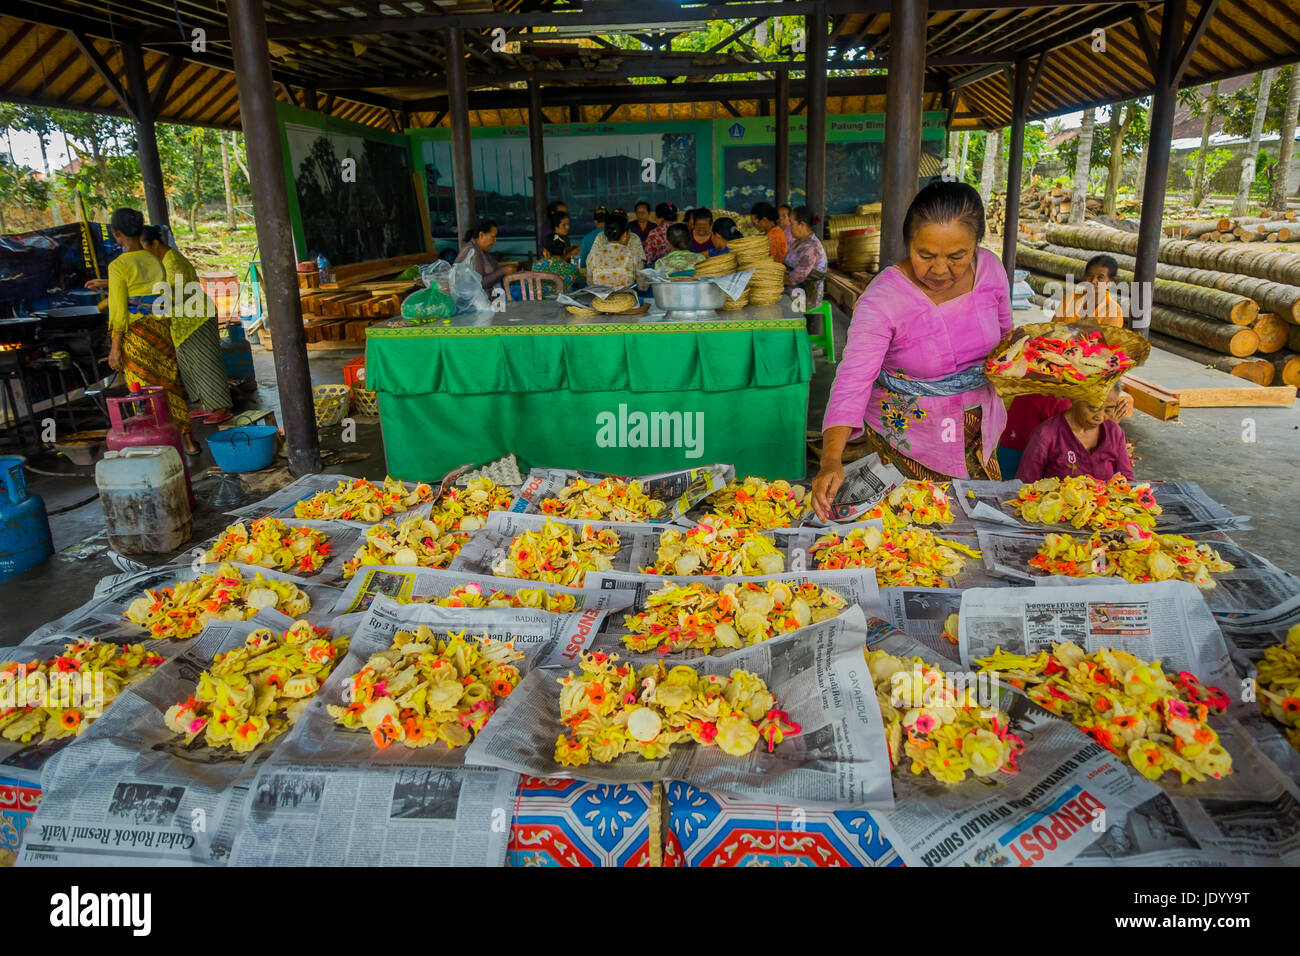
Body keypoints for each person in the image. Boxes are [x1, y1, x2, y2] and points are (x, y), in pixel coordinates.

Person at [812, 181, 1011, 518]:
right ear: (908, 243)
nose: (939, 269)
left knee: (979, 521)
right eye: (926, 255)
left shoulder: (991, 270)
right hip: (909, 442)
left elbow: (1009, 343)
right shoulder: (884, 299)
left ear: (976, 245)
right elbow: (853, 381)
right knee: (917, 533)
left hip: (979, 429)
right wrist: (831, 459)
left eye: (957, 256)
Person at [99, 208, 197, 454]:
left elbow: (119, 311)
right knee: (170, 385)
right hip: (161, 329)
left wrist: (114, 349)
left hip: (137, 336)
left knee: (142, 390)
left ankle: (157, 444)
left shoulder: (118, 266)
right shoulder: (154, 259)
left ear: (116, 232)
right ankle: (188, 440)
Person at [141, 225, 232, 424]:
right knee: (190, 365)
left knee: (206, 363)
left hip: (197, 318)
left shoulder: (173, 261)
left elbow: (177, 293)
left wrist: (149, 300)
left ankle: (221, 407)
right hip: (183, 322)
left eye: (144, 248)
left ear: (155, 244)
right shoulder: (164, 262)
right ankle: (206, 404)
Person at [999, 388, 1134, 477]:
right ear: (1075, 400)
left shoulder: (1113, 431)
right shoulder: (1046, 433)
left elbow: (1126, 478)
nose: (1099, 417)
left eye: (1108, 410)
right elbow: (1026, 485)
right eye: (1093, 408)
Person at [1056, 254, 1124, 327]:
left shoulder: (1113, 311)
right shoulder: (1070, 299)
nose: (1093, 281)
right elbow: (1052, 327)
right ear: (1085, 276)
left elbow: (1109, 338)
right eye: (1090, 275)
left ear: (1111, 281)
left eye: (1100, 278)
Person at [783, 205, 827, 309]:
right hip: (790, 290)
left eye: (791, 223)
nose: (789, 227)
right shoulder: (797, 243)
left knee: (771, 307)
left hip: (805, 297)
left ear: (802, 225)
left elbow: (794, 279)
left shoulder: (811, 247)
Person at [585, 211, 640, 289]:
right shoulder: (633, 255)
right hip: (625, 300)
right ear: (624, 235)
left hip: (600, 300)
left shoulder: (593, 255)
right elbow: (643, 286)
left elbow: (590, 283)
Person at [455, 219, 512, 292]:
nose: (495, 240)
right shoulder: (472, 251)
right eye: (493, 236)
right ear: (481, 235)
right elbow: (479, 283)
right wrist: (502, 271)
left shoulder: (482, 250)